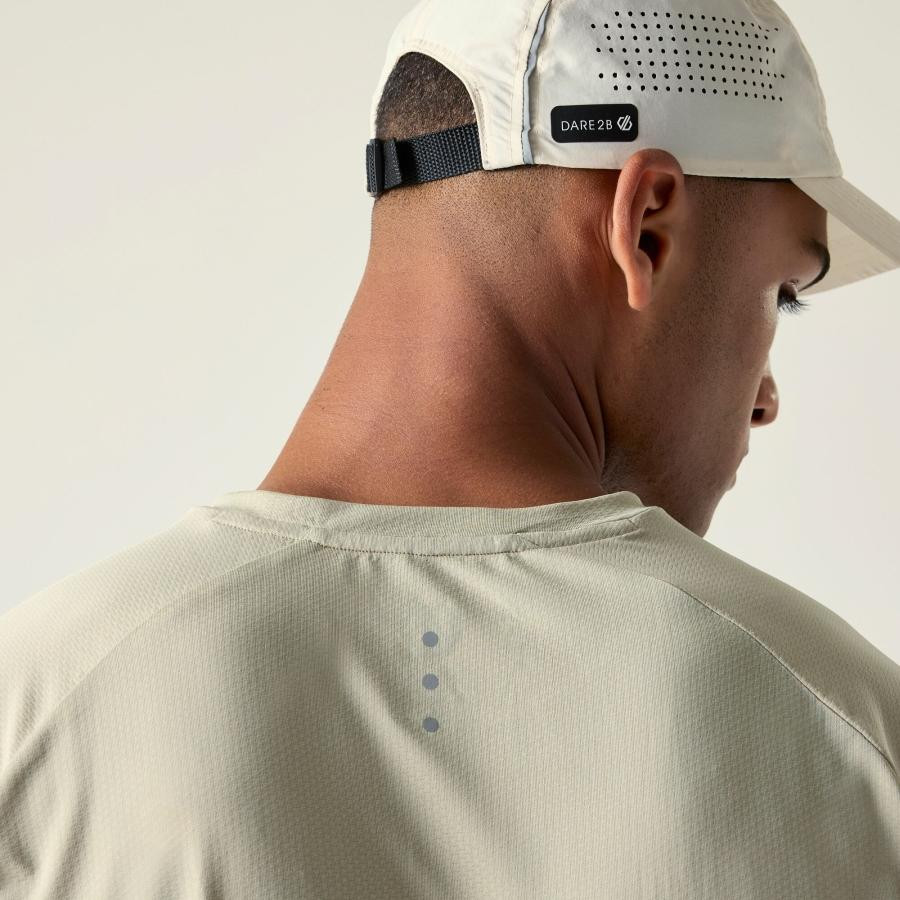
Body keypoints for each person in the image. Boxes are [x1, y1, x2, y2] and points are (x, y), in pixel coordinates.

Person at [2, 0, 899, 897]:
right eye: (782, 294)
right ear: (645, 229)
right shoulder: (848, 732)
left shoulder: (40, 711)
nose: (767, 399)